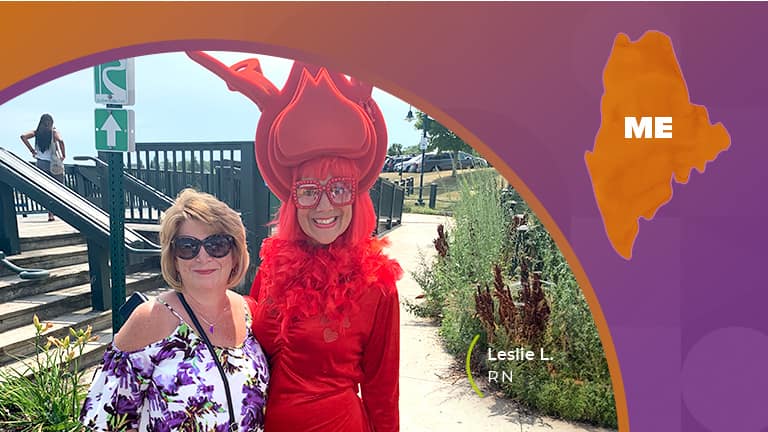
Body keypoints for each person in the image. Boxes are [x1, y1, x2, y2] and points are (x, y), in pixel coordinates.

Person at [187, 51, 403, 431]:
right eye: (308, 190)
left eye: (338, 188)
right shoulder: (274, 265)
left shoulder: (377, 286)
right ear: (292, 199)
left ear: (357, 196)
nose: (323, 205)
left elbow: (382, 392)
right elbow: (245, 331)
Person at [80, 188, 269, 432]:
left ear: (235, 253)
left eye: (217, 244)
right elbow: (106, 422)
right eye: (188, 246)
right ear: (174, 258)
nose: (203, 256)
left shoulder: (248, 312)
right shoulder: (150, 319)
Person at [20, 113, 66, 221]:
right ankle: (63, 213)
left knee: (47, 190)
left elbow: (23, 136)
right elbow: (61, 141)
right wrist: (63, 155)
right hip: (54, 164)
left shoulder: (36, 133)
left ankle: (50, 214)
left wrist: (32, 150)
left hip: (41, 164)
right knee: (60, 189)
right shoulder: (53, 132)